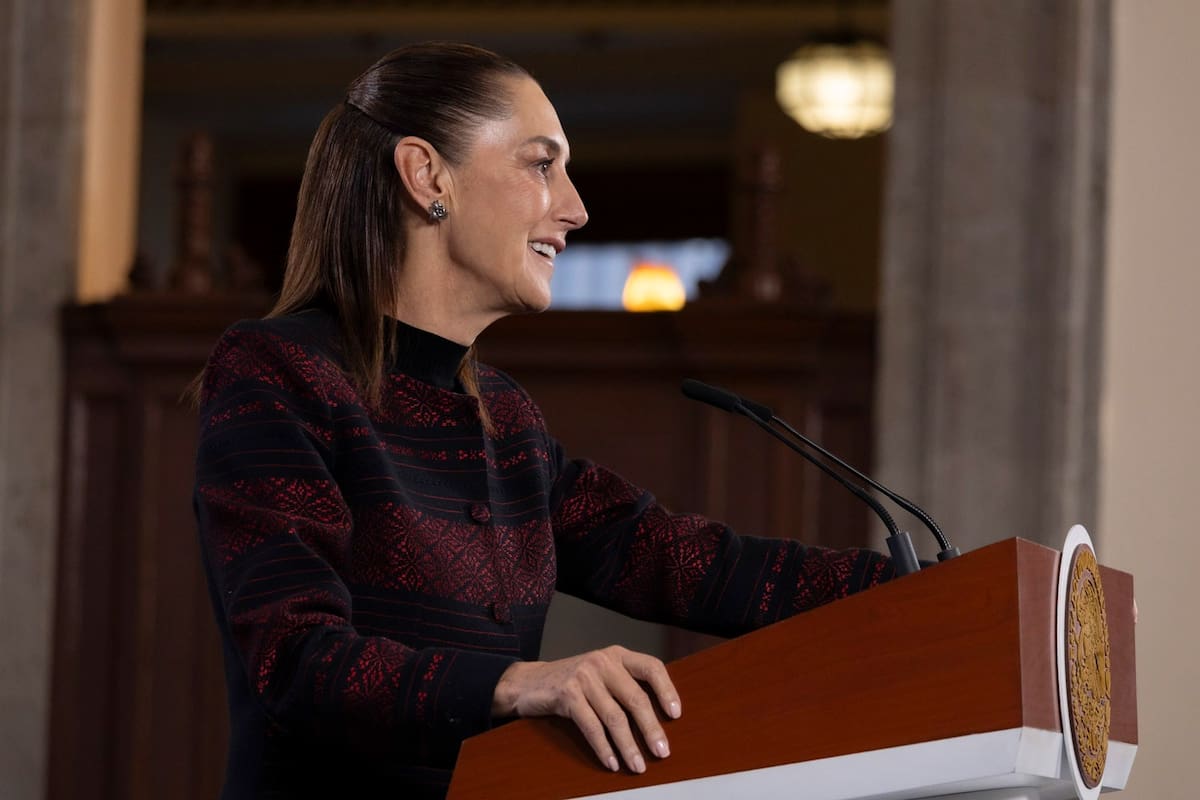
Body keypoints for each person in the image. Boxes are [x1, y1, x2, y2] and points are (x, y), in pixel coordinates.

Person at [193, 41, 894, 800]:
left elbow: (678, 560)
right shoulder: (276, 370)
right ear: (428, 176)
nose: (575, 208)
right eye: (540, 165)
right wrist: (520, 684)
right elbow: (297, 660)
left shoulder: (506, 419)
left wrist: (934, 585)